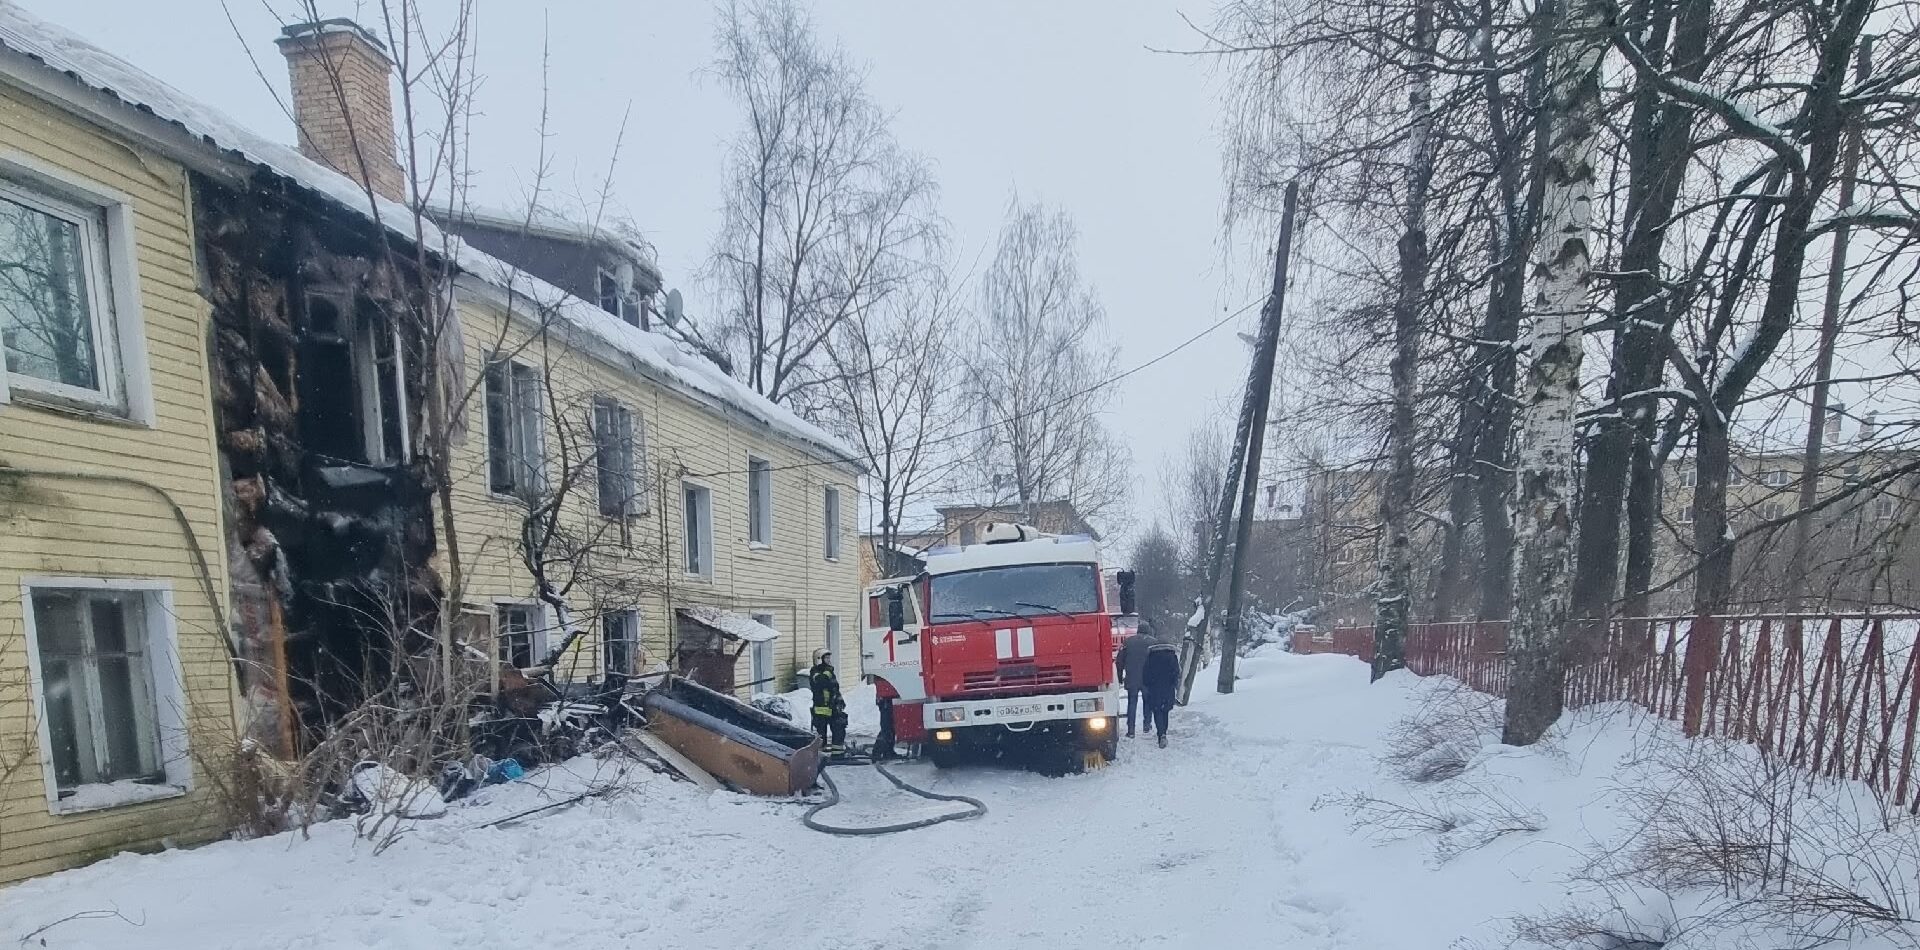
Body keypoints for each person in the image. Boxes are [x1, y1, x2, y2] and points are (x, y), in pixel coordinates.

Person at [1114, 618, 1158, 737]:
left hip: (1132, 678)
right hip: (1148, 678)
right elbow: (1158, 661)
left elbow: (1119, 661)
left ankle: (1131, 730)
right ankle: (1147, 725)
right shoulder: (1154, 643)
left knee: (1132, 703)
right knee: (1147, 702)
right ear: (1148, 631)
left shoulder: (1128, 642)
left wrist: (1119, 676)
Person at [1142, 633, 1182, 748]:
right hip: (1168, 688)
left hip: (1154, 688)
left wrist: (1148, 684)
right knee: (1165, 711)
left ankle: (1161, 734)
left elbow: (1146, 673)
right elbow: (1176, 672)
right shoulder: (1172, 656)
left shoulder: (1151, 656)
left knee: (1157, 710)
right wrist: (1173, 683)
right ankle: (1164, 732)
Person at [808, 649, 847, 753]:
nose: (829, 660)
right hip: (821, 709)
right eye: (826, 658)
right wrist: (827, 672)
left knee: (839, 727)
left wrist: (840, 700)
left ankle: (837, 753)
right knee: (821, 736)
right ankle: (819, 755)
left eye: (829, 658)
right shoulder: (815, 672)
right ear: (819, 659)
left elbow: (835, 688)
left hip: (832, 707)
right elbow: (821, 682)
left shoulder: (829, 672)